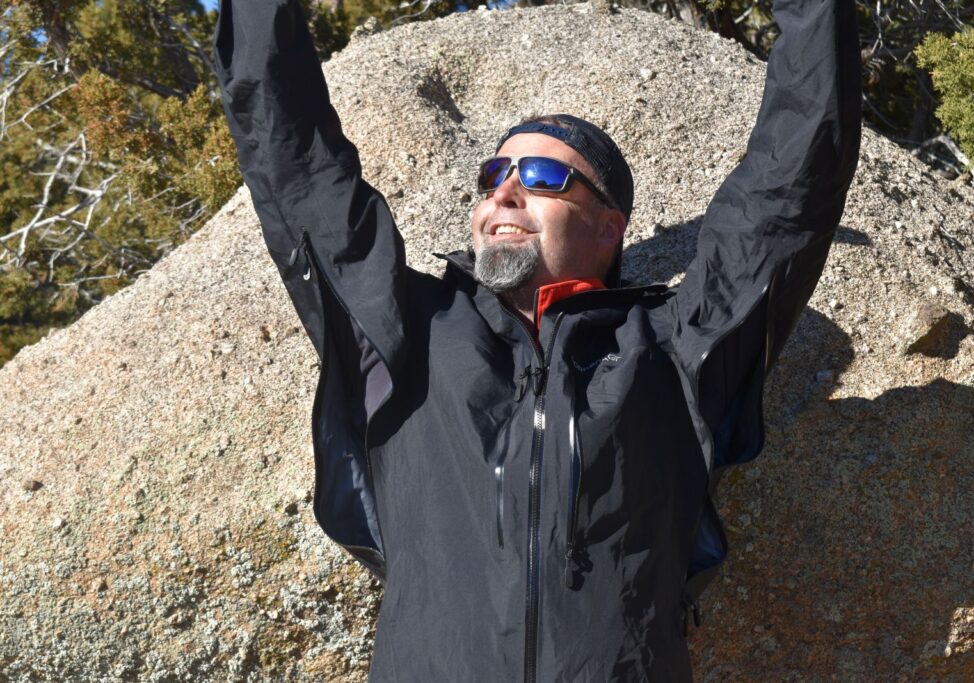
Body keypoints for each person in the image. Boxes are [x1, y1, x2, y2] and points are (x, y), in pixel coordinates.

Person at [213, 0, 861, 679]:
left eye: (544, 178)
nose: (505, 193)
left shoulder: (674, 353)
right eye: (493, 177)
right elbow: (295, 164)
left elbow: (794, 185)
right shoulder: (408, 331)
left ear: (609, 227)